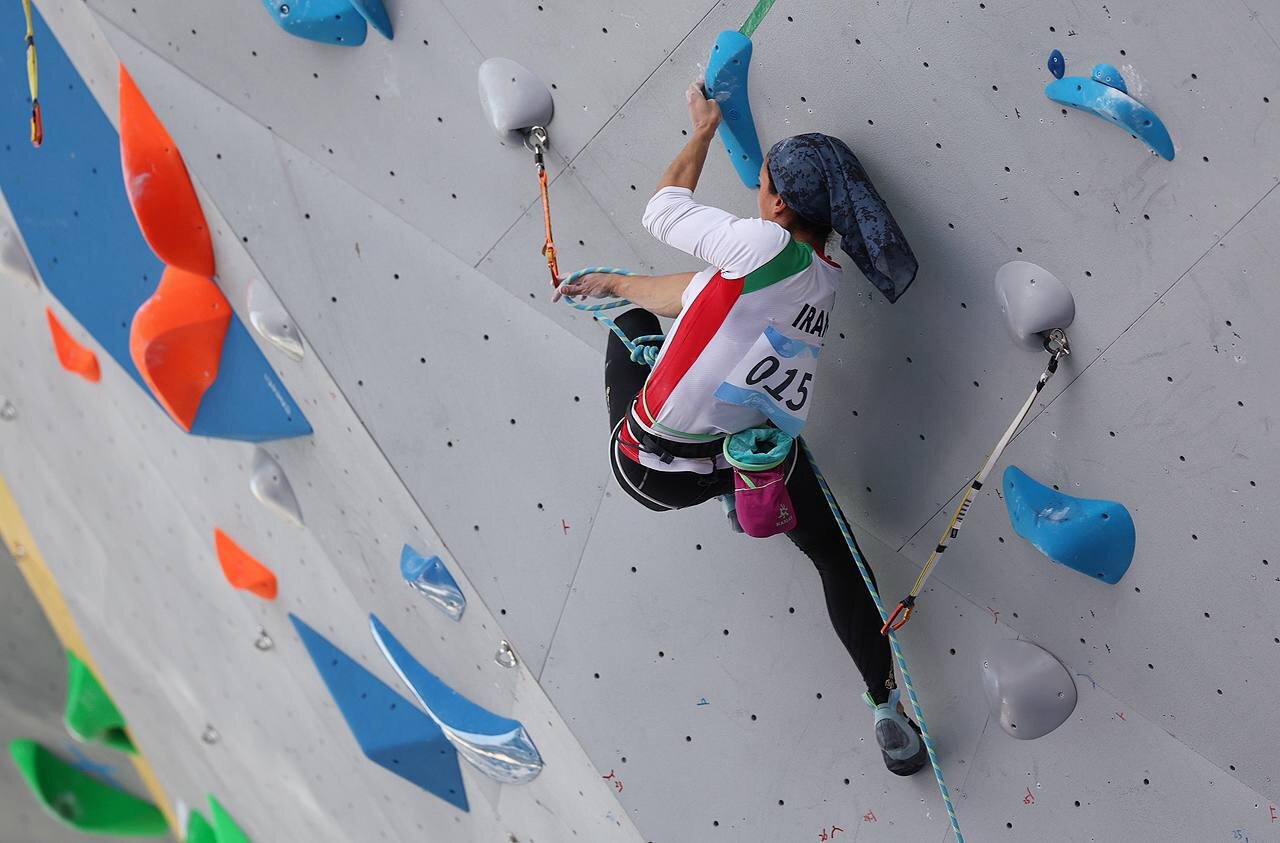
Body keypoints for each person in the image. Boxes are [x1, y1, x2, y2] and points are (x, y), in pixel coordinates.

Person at [553, 82, 925, 775]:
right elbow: (696, 293)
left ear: (778, 205)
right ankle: (887, 710)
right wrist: (618, 281)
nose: (757, 192)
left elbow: (662, 209)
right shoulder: (821, 279)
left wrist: (701, 131)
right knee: (837, 559)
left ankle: (717, 477)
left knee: (633, 327)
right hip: (749, 462)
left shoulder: (760, 243)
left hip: (649, 470)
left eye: (761, 183)